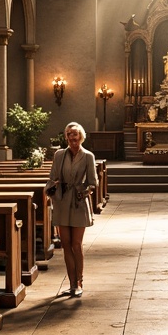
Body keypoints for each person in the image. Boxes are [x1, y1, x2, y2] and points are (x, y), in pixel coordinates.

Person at [47, 121, 97, 296]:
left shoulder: (88, 156)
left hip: (78, 202)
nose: (72, 137)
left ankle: (79, 282)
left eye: (75, 134)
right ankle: (72, 284)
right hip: (62, 202)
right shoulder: (59, 155)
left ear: (81, 136)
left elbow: (93, 182)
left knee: (76, 244)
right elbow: (52, 177)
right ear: (66, 137)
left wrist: (85, 191)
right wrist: (51, 188)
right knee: (66, 245)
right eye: (69, 134)